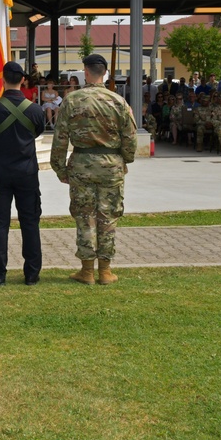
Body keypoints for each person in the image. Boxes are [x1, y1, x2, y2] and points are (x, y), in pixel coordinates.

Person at [50, 53, 137, 286]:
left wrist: (60, 168)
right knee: (108, 217)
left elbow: (60, 139)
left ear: (86, 72)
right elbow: (130, 138)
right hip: (111, 166)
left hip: (81, 165)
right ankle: (105, 271)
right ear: (105, 73)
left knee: (85, 217)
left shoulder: (71, 100)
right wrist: (124, 160)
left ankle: (87, 270)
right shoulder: (118, 102)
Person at [0, 62, 46, 286]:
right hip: (27, 173)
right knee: (30, 222)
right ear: (23, 81)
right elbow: (37, 132)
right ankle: (32, 273)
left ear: (3, 80)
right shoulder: (36, 110)